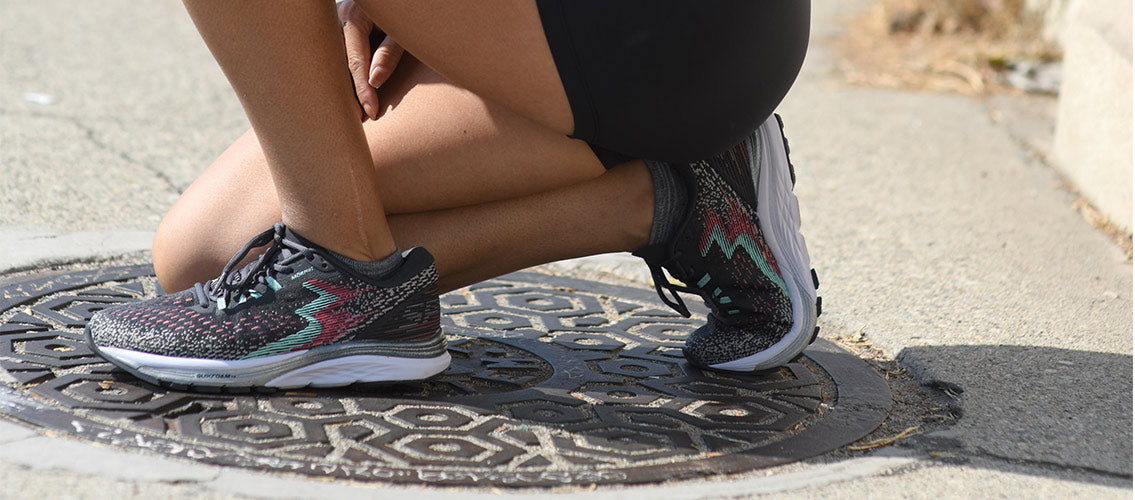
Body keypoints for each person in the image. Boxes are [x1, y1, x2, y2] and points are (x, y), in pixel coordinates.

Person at [85, 0, 819, 390]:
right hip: (558, 42)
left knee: (274, 261)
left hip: (664, 32)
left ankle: (340, 266)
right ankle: (680, 196)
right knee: (209, 254)